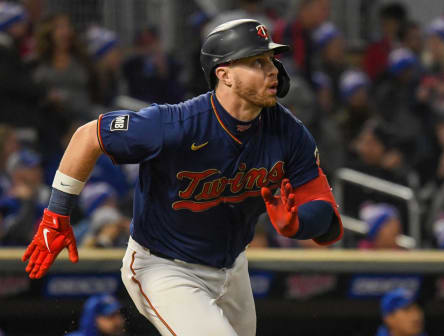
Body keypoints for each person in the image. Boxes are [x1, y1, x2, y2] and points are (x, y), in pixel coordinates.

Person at [21, 19, 343, 336]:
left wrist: (298, 223)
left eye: (272, 59)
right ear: (225, 74)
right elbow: (88, 136)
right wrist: (55, 214)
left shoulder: (288, 132)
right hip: (164, 266)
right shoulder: (175, 124)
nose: (272, 69)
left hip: (233, 268)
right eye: (257, 62)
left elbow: (325, 212)